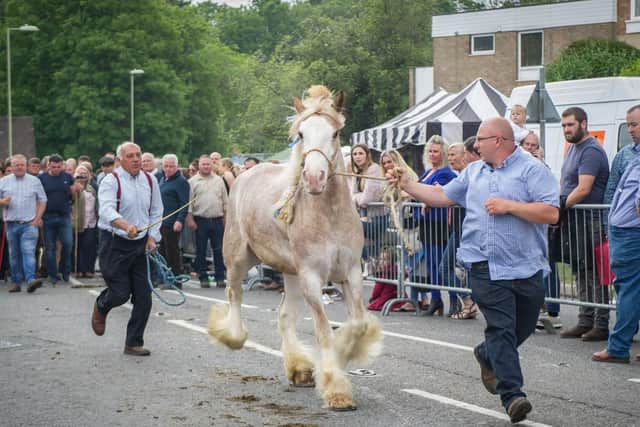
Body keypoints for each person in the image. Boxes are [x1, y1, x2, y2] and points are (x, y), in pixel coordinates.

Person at [387, 117, 559, 423]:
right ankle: (513, 395)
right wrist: (408, 185)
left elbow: (551, 213)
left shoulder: (533, 170)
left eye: (480, 139)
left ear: (499, 141)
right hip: (483, 265)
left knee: (522, 326)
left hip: (526, 265)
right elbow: (441, 196)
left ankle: (486, 353)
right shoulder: (474, 172)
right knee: (501, 328)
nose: (474, 145)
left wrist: (511, 206)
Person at [91, 142, 163, 356]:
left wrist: (152, 237)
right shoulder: (110, 181)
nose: (135, 159)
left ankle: (133, 343)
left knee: (144, 298)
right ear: (120, 160)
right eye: (130, 156)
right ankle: (102, 305)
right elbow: (106, 210)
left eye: (138, 155)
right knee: (120, 293)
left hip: (141, 244)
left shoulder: (150, 180)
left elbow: (157, 210)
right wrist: (125, 225)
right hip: (115, 243)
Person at [592, 104, 640, 364]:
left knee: (628, 291)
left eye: (634, 124)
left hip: (631, 233)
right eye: (629, 124)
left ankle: (619, 347)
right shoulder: (630, 155)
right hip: (626, 231)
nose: (630, 130)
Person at [558, 107, 611, 342]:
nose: (566, 130)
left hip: (590, 219)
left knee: (595, 273)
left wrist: (560, 208)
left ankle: (600, 324)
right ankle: (584, 319)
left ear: (583, 123)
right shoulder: (572, 148)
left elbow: (583, 189)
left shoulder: (591, 150)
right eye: (564, 126)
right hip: (576, 218)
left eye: (570, 125)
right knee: (580, 269)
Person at [404, 135, 457, 315]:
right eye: (430, 151)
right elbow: (419, 191)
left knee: (442, 264)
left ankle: (455, 299)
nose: (433, 155)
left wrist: (426, 199)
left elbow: (439, 194)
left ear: (442, 154)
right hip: (426, 224)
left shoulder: (446, 173)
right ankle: (436, 299)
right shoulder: (427, 173)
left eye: (436, 152)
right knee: (431, 265)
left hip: (439, 224)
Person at [0, 154, 47, 293]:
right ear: (11, 166)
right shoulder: (4, 181)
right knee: (14, 254)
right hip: (11, 224)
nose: (19, 167)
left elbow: (42, 200)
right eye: (16, 165)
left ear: (26, 166)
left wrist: (37, 218)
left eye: (21, 164)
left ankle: (31, 279)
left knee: (28, 251)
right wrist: (3, 202)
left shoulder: (35, 181)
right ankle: (16, 282)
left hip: (29, 223)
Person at [186, 155, 228, 288]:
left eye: (208, 164)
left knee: (219, 250)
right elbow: (188, 204)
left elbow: (225, 201)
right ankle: (203, 277)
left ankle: (220, 277)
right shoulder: (192, 182)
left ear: (212, 165)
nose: (206, 166)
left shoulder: (219, 181)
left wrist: (226, 219)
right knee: (201, 251)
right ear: (199, 165)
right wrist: (190, 219)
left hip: (217, 220)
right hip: (200, 220)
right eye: (203, 164)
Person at [39, 154, 79, 284]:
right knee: (49, 248)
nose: (56, 169)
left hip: (64, 216)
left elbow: (74, 195)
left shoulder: (68, 177)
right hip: (47, 217)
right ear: (48, 165)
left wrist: (75, 190)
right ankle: (52, 274)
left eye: (58, 167)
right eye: (53, 166)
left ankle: (65, 271)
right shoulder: (42, 178)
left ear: (62, 165)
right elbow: (37, 198)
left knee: (68, 244)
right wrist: (38, 216)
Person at [348, 144, 384, 275]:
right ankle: (370, 261)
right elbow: (352, 197)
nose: (357, 157)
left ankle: (369, 261)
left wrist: (358, 199)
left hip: (378, 217)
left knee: (351, 228)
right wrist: (358, 198)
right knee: (354, 231)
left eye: (360, 153)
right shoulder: (357, 172)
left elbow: (366, 199)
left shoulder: (374, 169)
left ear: (367, 155)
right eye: (355, 154)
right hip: (363, 216)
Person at [158, 154, 190, 283]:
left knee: (173, 253)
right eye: (166, 166)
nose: (168, 169)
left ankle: (176, 279)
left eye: (171, 166)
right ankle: (165, 277)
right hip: (161, 221)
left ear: (176, 167)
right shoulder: (162, 180)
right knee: (162, 252)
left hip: (173, 222)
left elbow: (184, 204)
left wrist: (180, 220)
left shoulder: (181, 182)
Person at [71, 164, 98, 278]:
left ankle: (88, 269)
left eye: (84, 173)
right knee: (77, 246)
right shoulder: (72, 188)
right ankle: (78, 269)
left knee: (89, 246)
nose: (82, 176)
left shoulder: (92, 189)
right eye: (79, 173)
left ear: (89, 176)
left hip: (91, 221)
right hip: (77, 221)